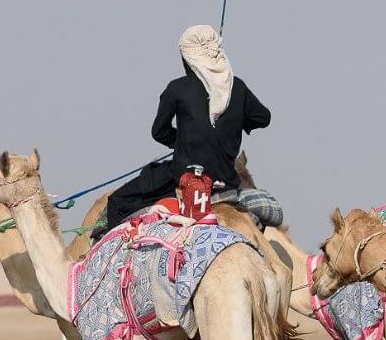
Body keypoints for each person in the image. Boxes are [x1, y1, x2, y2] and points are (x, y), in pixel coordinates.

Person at [101, 25, 281, 233]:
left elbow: (159, 132)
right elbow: (263, 117)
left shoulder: (176, 89)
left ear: (188, 58)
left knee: (118, 200)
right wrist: (234, 122)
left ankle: (110, 258)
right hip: (228, 181)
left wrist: (184, 142)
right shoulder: (237, 87)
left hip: (185, 179)